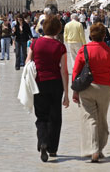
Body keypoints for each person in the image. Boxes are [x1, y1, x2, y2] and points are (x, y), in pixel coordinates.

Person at [72, 23, 110, 162]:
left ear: (91, 35)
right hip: (104, 89)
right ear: (104, 35)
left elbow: (76, 71)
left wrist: (75, 91)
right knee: (102, 119)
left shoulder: (84, 50)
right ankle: (99, 149)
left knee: (91, 119)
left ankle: (93, 150)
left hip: (86, 88)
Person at [25, 15, 69, 162]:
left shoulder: (35, 43)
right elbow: (63, 70)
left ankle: (43, 141)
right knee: (55, 117)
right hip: (55, 83)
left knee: (42, 116)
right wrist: (67, 94)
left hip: (39, 82)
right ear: (58, 29)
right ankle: (53, 149)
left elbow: (28, 61)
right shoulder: (60, 46)